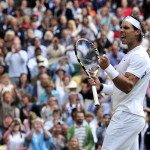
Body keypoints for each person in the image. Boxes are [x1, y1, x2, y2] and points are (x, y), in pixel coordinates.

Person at [89, 15, 150, 150]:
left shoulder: (139, 55)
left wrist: (108, 68)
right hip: (131, 116)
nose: (121, 30)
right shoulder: (131, 55)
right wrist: (101, 87)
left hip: (127, 116)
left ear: (137, 32)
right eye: (121, 27)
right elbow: (121, 89)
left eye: (126, 28)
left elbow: (128, 86)